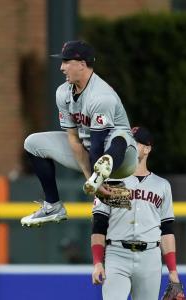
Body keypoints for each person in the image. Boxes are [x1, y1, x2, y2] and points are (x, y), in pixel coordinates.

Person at [21, 40, 138, 227]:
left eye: (66, 62)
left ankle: (102, 177)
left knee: (119, 136)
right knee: (32, 143)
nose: (61, 67)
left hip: (123, 157)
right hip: (89, 152)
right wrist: (90, 179)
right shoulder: (63, 93)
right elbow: (74, 139)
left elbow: (98, 144)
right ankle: (53, 205)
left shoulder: (101, 96)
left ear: (82, 64)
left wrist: (96, 180)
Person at [91, 127, 184, 300]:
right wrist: (97, 262)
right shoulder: (109, 181)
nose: (129, 146)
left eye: (135, 142)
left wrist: (173, 271)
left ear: (147, 149)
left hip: (150, 257)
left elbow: (167, 230)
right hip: (117, 254)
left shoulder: (162, 185)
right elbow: (99, 224)